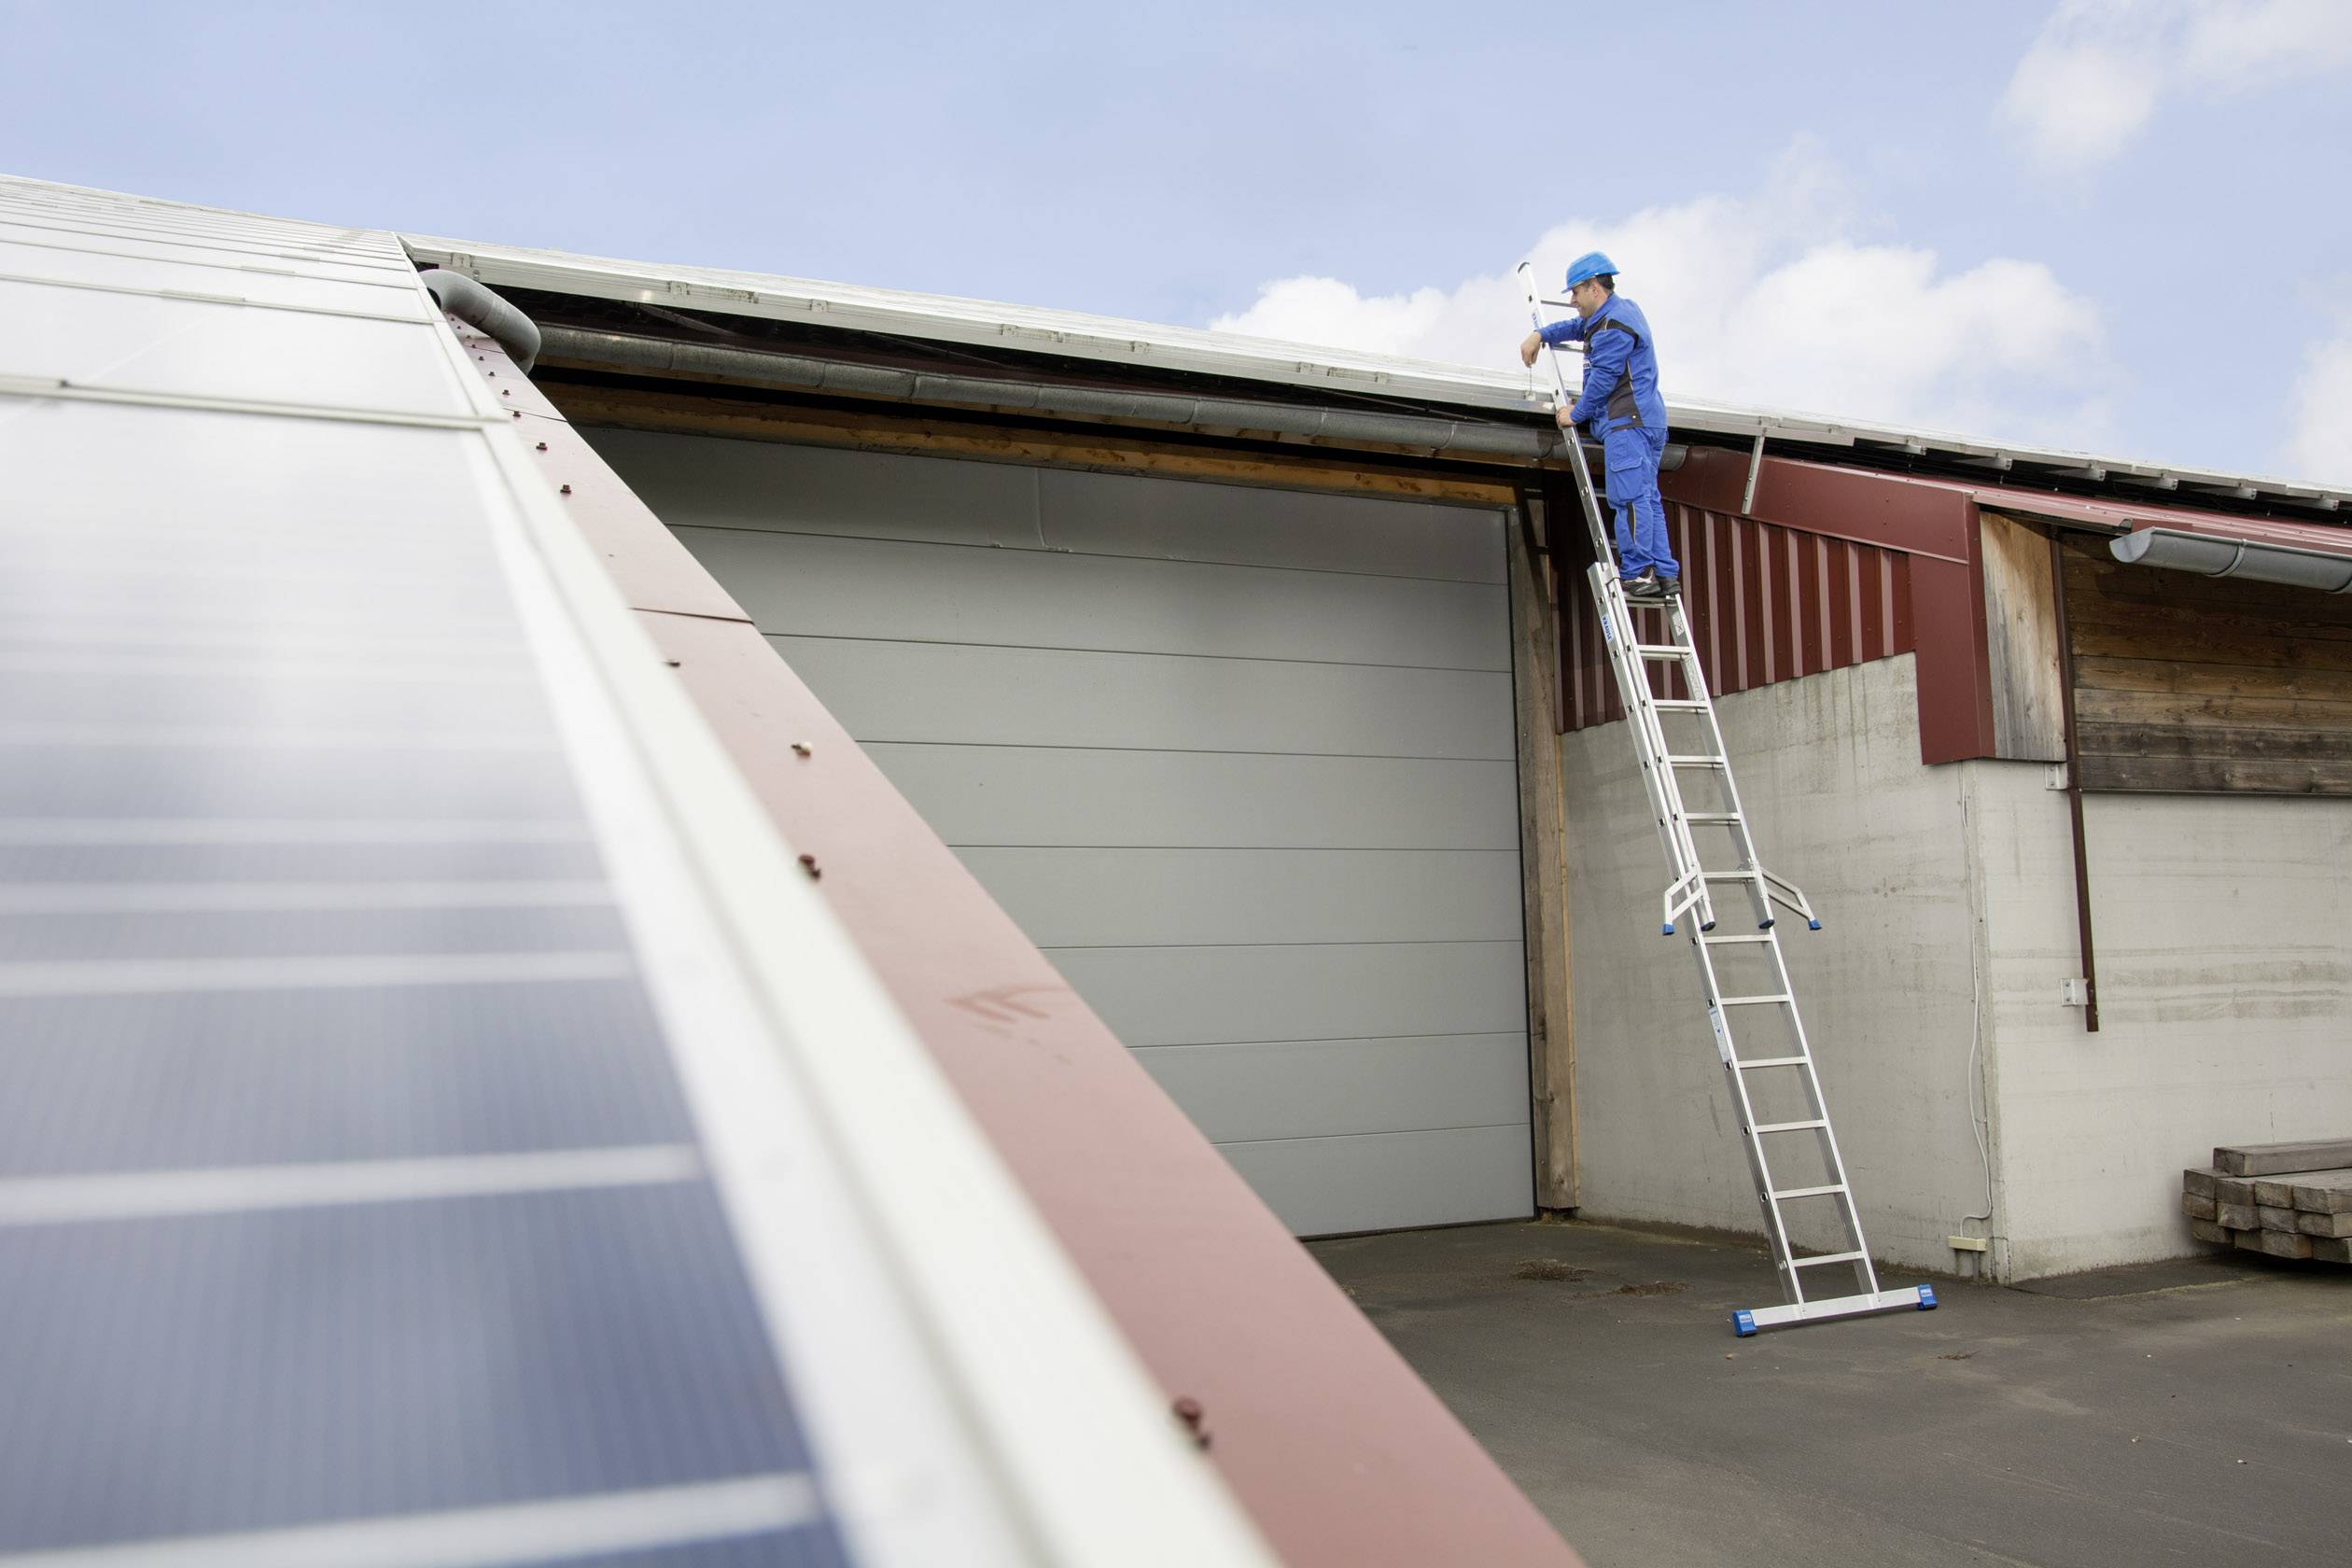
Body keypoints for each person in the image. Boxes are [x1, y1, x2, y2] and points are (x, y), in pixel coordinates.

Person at [1519, 252, 1679, 600]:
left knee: (1630, 499)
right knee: (1648, 498)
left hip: (1628, 425)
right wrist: (1540, 334)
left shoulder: (1611, 328)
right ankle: (1666, 574)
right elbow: (1578, 328)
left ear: (1594, 287)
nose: (1572, 301)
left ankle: (1636, 574)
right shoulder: (1616, 314)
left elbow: (1604, 378)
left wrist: (1575, 414)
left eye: (1575, 292)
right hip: (1645, 421)